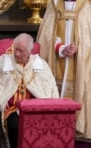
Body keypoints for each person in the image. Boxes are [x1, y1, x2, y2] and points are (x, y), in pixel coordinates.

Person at [0, 33, 59, 148]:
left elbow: (50, 88)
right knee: (15, 125)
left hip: (35, 108)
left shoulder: (40, 64)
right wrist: (2, 101)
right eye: (16, 49)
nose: (17, 54)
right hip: (13, 108)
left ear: (30, 51)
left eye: (21, 51)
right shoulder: (3, 61)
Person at [36, 0, 91, 140]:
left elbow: (87, 36)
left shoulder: (85, 7)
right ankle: (55, 130)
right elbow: (46, 36)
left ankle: (78, 131)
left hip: (79, 64)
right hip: (56, 61)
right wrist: (60, 48)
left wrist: (78, 47)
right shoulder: (53, 5)